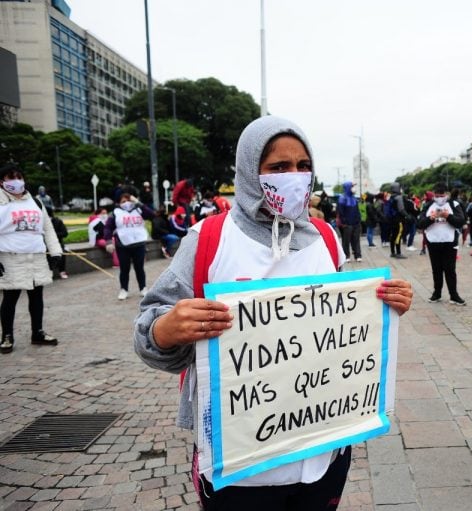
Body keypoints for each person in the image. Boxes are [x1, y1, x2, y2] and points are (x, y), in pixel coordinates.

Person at [133, 116, 413, 510]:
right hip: (240, 470)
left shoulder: (326, 238)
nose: (294, 177)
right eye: (278, 168)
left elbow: (342, 324)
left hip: (323, 457)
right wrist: (167, 329)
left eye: (302, 166)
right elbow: (149, 335)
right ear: (250, 171)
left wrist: (385, 303)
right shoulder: (209, 239)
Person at [0, 163, 62, 354]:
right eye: (11, 177)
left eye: (19, 176)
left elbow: (48, 228)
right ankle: (7, 336)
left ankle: (38, 332)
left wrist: (56, 252)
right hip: (10, 257)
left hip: (35, 256)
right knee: (10, 297)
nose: (16, 181)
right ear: (2, 181)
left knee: (37, 296)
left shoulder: (35, 202)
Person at [417, 182, 466, 305]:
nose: (439, 198)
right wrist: (430, 218)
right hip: (433, 242)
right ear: (434, 195)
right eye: (437, 195)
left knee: (450, 270)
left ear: (447, 194)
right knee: (436, 269)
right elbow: (419, 223)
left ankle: (454, 295)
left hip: (449, 242)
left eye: (442, 195)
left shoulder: (454, 204)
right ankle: (437, 293)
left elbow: (460, 222)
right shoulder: (428, 205)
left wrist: (448, 216)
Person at [104, 193, 155, 300]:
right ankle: (124, 289)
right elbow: (108, 227)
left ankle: (143, 288)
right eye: (123, 201)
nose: (126, 203)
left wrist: (138, 203)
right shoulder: (115, 213)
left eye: (129, 201)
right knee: (124, 269)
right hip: (123, 245)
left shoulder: (139, 210)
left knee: (139, 268)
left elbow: (152, 215)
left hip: (139, 244)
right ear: (118, 203)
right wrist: (108, 241)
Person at [336, 181, 363, 262]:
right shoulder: (342, 198)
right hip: (347, 224)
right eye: (352, 186)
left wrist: (358, 220)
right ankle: (346, 256)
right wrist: (344, 222)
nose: (353, 188)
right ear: (348, 187)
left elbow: (357, 211)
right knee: (346, 241)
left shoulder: (354, 198)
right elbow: (340, 212)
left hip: (356, 223)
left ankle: (358, 255)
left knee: (356, 240)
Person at [46, 207, 69, 279]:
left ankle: (62, 271)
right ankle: (49, 272)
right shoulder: (40, 222)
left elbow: (64, 233)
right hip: (44, 245)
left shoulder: (58, 221)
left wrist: (52, 235)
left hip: (57, 243)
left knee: (61, 253)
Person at [388, 183, 408, 259]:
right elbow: (401, 209)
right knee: (398, 236)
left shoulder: (391, 197)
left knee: (393, 236)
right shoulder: (399, 197)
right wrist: (407, 216)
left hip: (392, 220)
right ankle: (398, 252)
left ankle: (392, 252)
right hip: (399, 220)